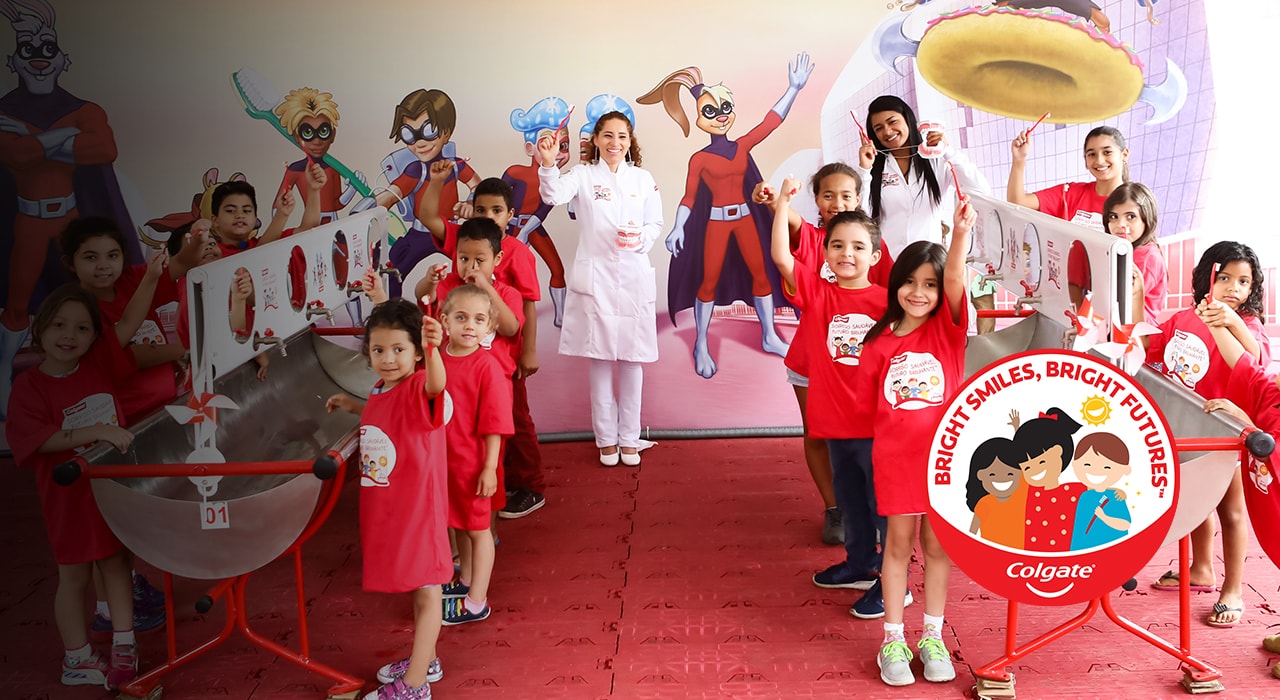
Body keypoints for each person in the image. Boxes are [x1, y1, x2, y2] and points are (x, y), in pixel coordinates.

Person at [851, 198, 975, 686]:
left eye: (929, 284)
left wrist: (959, 237)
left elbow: (953, 282)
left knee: (939, 549)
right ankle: (894, 639)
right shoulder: (878, 341)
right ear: (894, 283)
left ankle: (933, 635)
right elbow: (870, 409)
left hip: (944, 462)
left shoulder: (949, 331)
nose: (919, 292)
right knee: (898, 546)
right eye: (909, 282)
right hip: (897, 462)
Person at [5, 283, 152, 690]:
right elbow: (34, 439)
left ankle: (125, 644)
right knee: (74, 577)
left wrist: (154, 277)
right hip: (68, 500)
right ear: (40, 329)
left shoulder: (98, 367)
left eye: (83, 328)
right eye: (59, 325)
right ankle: (77, 657)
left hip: (111, 491)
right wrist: (95, 431)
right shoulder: (29, 386)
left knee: (118, 563)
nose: (69, 336)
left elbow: (129, 322)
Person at [641, 55, 812, 379]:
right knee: (708, 281)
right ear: (699, 118)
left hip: (746, 218)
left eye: (724, 109)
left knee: (761, 275)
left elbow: (771, 122)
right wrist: (679, 227)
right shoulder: (700, 159)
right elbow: (689, 197)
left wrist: (794, 88)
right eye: (710, 111)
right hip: (717, 223)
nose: (719, 117)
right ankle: (701, 343)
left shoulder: (742, 146)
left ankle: (769, 335)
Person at [754, 163, 892, 545]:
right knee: (817, 434)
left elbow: (899, 303)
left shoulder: (873, 250)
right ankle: (836, 510)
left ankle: (870, 514)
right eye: (828, 195)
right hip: (811, 363)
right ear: (816, 200)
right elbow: (783, 252)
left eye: (847, 194)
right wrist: (780, 199)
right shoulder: (814, 247)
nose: (837, 202)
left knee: (863, 442)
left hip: (857, 371)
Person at [325, 298, 449, 700]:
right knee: (417, 587)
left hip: (419, 510)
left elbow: (435, 388)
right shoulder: (383, 387)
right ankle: (425, 659)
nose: (388, 358)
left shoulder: (420, 385)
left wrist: (434, 351)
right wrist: (351, 405)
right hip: (396, 507)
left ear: (416, 351)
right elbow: (388, 416)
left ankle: (415, 685)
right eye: (379, 350)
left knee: (429, 592)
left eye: (399, 350)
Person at [1145, 241, 1269, 627]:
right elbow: (1152, 350)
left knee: (1230, 511)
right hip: (1186, 424)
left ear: (1252, 289)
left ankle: (1233, 589)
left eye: (1243, 281)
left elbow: (1257, 363)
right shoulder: (1183, 318)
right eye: (1226, 278)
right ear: (1207, 279)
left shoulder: (1247, 325)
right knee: (1197, 503)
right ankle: (1201, 569)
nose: (1234, 287)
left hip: (1228, 431)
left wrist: (1230, 323)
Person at [416, 168, 547, 518]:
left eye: (496, 211)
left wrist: (529, 351)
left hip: (503, 359)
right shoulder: (465, 240)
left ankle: (528, 486)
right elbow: (427, 216)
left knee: (513, 420)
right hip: (460, 365)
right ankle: (478, 493)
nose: (488, 217)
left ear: (510, 215)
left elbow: (526, 308)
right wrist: (436, 181)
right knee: (468, 427)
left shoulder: (517, 253)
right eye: (481, 210)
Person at [537, 111, 662, 466]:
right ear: (595, 140)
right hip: (597, 280)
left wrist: (642, 240)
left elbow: (656, 222)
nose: (615, 143)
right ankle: (606, 440)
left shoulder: (642, 178)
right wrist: (548, 165)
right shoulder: (582, 175)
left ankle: (629, 439)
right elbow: (552, 196)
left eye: (622, 136)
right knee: (601, 359)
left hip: (634, 277)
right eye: (607, 136)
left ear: (630, 141)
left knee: (632, 360)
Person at [435, 285, 514, 625]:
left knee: (479, 530)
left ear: (489, 328)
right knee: (460, 525)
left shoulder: (487, 367)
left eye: (478, 319)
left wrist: (489, 468)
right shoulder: (438, 359)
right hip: (446, 463)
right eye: (461, 317)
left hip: (475, 466)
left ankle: (477, 601)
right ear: (444, 321)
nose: (469, 325)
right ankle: (465, 579)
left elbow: (495, 424)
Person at [59, 216, 184, 420]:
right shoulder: (75, 311)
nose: (103, 265)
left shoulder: (131, 279)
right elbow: (129, 351)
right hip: (125, 420)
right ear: (70, 263)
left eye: (112, 256)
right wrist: (182, 352)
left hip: (166, 407)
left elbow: (184, 262)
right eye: (91, 257)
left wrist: (199, 237)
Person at [856, 95, 989, 258]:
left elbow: (979, 189)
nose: (887, 131)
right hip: (888, 262)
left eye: (892, 122)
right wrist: (864, 169)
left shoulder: (934, 160)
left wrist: (948, 151)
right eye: (879, 128)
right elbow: (861, 214)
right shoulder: (874, 168)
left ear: (908, 119)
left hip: (928, 262)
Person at [504, 96, 570, 327]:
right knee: (506, 272)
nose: (557, 152)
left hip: (532, 228)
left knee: (557, 269)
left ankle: (561, 317)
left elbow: (543, 210)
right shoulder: (515, 172)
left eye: (563, 146)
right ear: (530, 148)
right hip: (508, 228)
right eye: (547, 144)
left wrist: (524, 234)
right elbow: (499, 200)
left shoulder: (557, 182)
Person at [273, 87, 363, 225]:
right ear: (297, 137)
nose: (317, 141)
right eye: (308, 132)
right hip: (308, 227)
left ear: (332, 135)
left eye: (323, 131)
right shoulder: (295, 170)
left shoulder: (333, 168)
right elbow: (277, 207)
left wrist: (352, 188)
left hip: (333, 227)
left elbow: (336, 204)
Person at [1104, 182, 1167, 323]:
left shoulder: (1147, 257)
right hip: (1120, 324)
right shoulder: (1122, 247)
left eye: (1131, 217)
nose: (1120, 224)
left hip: (1138, 332)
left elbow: (1121, 296)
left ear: (1147, 219)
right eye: (1113, 216)